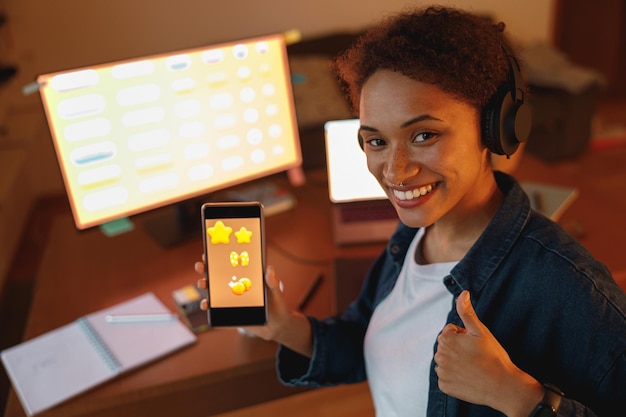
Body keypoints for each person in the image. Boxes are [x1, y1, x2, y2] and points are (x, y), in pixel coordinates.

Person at [196, 6, 626, 416]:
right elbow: (369, 343)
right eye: (376, 141)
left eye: (423, 134)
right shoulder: (413, 240)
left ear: (496, 128)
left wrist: (520, 399)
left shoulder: (567, 286)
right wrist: (283, 326)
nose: (396, 172)